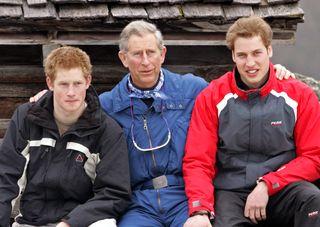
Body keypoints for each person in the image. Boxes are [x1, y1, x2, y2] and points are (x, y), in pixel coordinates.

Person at [29, 21, 294, 227]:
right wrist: (51, 98)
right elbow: (74, 105)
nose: (145, 61)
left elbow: (237, 85)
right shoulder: (108, 105)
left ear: (162, 54)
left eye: (150, 52)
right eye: (136, 54)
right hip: (137, 202)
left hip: (184, 196)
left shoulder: (193, 89)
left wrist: (275, 72)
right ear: (123, 58)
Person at [183, 15, 320, 227]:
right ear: (233, 56)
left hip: (283, 186)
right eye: (242, 55)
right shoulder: (212, 97)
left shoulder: (299, 95)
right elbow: (198, 161)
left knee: (314, 201)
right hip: (231, 191)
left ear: (269, 50)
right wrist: (199, 209)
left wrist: (269, 183)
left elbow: (314, 156)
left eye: (257, 53)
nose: (250, 63)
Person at [0, 46, 131, 227]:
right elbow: (5, 178)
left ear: (87, 81)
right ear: (50, 83)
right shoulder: (26, 118)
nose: (71, 92)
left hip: (83, 222)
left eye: (77, 83)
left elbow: (114, 193)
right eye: (63, 84)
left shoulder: (107, 130)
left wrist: (70, 223)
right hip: (32, 221)